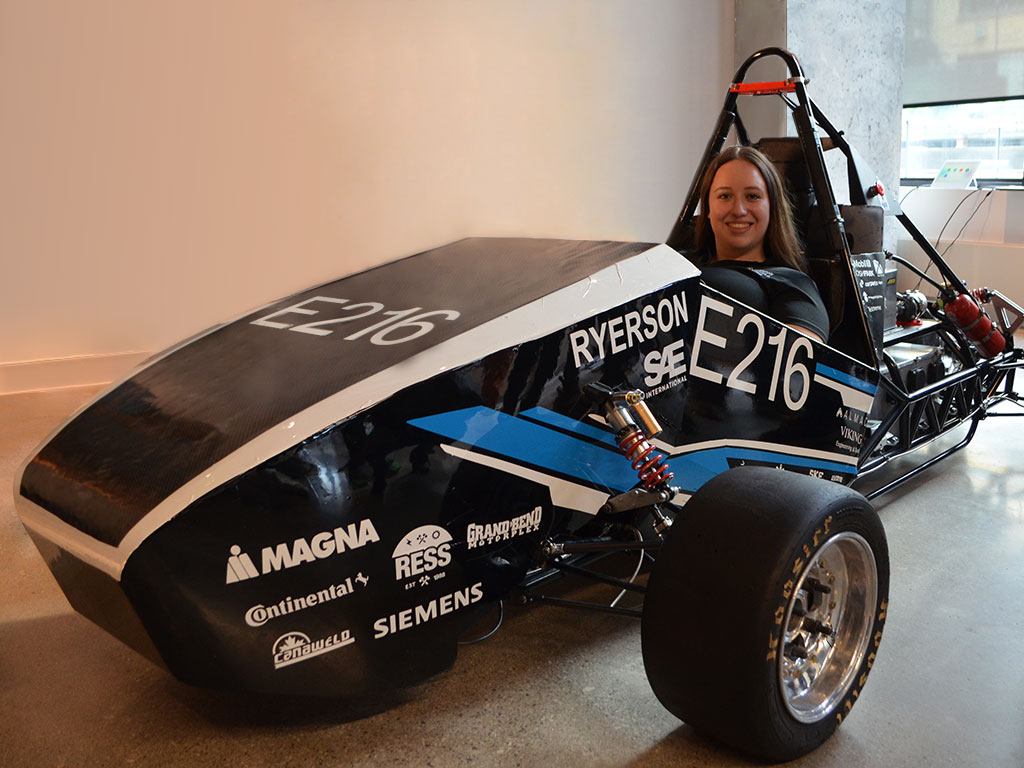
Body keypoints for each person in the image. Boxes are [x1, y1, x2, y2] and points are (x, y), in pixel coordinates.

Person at [691, 145, 829, 342]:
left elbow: (798, 363)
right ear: (708, 209)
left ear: (772, 208)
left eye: (752, 196)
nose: (738, 209)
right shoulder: (678, 263)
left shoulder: (793, 284)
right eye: (725, 196)